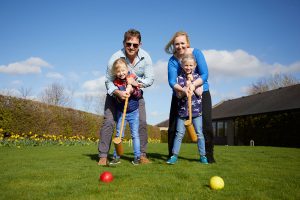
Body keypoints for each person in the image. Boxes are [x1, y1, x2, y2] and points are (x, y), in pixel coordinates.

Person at [98, 29, 154, 166]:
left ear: (140, 44)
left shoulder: (145, 57)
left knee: (141, 121)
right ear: (124, 43)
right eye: (129, 44)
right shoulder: (115, 58)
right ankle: (103, 156)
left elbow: (150, 79)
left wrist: (135, 83)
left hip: (135, 96)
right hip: (115, 94)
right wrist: (117, 92)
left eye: (135, 45)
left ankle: (141, 155)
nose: (131, 47)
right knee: (109, 122)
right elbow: (108, 81)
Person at [165, 31, 216, 163]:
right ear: (173, 45)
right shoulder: (173, 60)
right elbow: (172, 81)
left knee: (206, 125)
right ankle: (172, 155)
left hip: (201, 91)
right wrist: (183, 90)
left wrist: (193, 85)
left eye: (182, 43)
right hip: (180, 92)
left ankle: (208, 155)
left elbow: (205, 74)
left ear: (187, 43)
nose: (180, 46)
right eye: (177, 44)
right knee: (174, 126)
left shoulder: (196, 53)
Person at [166, 54, 208, 164]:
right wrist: (185, 88)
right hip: (182, 112)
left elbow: (200, 93)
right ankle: (174, 156)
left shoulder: (199, 78)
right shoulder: (179, 79)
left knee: (199, 133)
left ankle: (203, 156)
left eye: (191, 65)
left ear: (195, 65)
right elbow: (178, 95)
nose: (188, 67)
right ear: (182, 66)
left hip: (196, 112)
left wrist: (192, 85)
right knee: (179, 134)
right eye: (186, 65)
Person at [109, 58, 142, 165]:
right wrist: (120, 96)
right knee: (119, 135)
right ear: (115, 72)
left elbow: (139, 94)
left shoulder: (132, 78)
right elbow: (115, 98)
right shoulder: (115, 83)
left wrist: (132, 89)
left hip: (133, 111)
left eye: (123, 70)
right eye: (118, 71)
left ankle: (137, 157)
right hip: (121, 112)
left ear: (127, 69)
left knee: (135, 135)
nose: (121, 73)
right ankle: (116, 157)